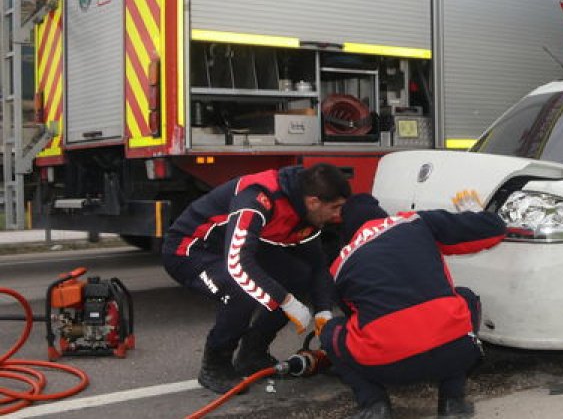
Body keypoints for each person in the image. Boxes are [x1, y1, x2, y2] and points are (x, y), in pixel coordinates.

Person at [162, 162, 350, 393]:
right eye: (335, 207)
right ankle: (215, 365)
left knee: (299, 274)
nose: (338, 215)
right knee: (241, 289)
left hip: (231, 248)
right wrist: (285, 301)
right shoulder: (257, 198)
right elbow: (238, 265)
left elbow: (318, 265)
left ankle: (252, 353)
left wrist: (323, 312)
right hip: (190, 249)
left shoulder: (308, 212)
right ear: (314, 202)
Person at [322, 191, 506, 419]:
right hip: (452, 353)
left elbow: (354, 317)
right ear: (382, 214)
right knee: (466, 297)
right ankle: (452, 402)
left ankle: (374, 404)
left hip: (387, 367)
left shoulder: (340, 263)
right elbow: (494, 229)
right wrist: (477, 212)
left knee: (331, 330)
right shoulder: (414, 222)